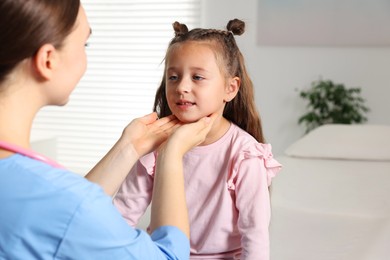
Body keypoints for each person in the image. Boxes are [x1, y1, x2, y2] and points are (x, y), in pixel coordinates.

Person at [0, 0, 218, 259]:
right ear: (48, 59)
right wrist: (171, 155)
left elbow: (54, 219)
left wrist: (129, 148)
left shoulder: (41, 194)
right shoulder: (63, 202)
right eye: (84, 44)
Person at [113, 19, 282, 259]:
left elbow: (255, 236)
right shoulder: (155, 144)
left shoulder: (245, 154)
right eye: (173, 77)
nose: (181, 87)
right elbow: (121, 216)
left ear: (230, 89)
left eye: (198, 77)